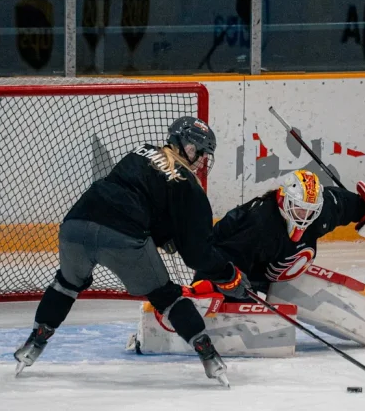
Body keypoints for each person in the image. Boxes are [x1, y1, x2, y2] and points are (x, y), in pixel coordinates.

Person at [14, 116, 250, 387]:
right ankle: (210, 358)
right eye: (202, 153)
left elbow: (134, 197)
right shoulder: (189, 186)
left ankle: (34, 343)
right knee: (166, 297)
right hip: (122, 239)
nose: (202, 162)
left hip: (75, 226)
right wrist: (228, 274)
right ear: (190, 148)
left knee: (66, 285)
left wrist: (163, 234)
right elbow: (196, 254)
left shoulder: (140, 151)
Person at [198, 169, 365, 295]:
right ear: (283, 198)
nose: (304, 215)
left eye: (310, 210)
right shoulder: (260, 224)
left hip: (279, 272)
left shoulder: (323, 210)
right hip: (243, 267)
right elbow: (220, 258)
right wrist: (223, 288)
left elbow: (347, 204)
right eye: (299, 208)